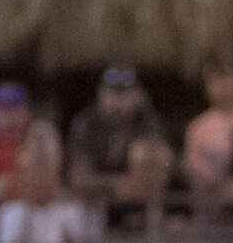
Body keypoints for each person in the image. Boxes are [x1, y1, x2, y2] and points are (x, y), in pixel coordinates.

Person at [70, 68, 165, 198]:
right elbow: (78, 178)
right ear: (100, 93)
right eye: (112, 92)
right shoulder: (86, 124)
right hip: (94, 203)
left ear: (137, 95)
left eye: (125, 92)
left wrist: (145, 107)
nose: (118, 99)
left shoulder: (146, 122)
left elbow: (155, 176)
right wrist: (116, 185)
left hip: (136, 204)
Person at [185, 63, 233, 194]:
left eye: (230, 77)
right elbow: (195, 175)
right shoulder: (197, 127)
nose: (225, 85)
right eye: (217, 79)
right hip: (217, 197)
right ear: (206, 88)